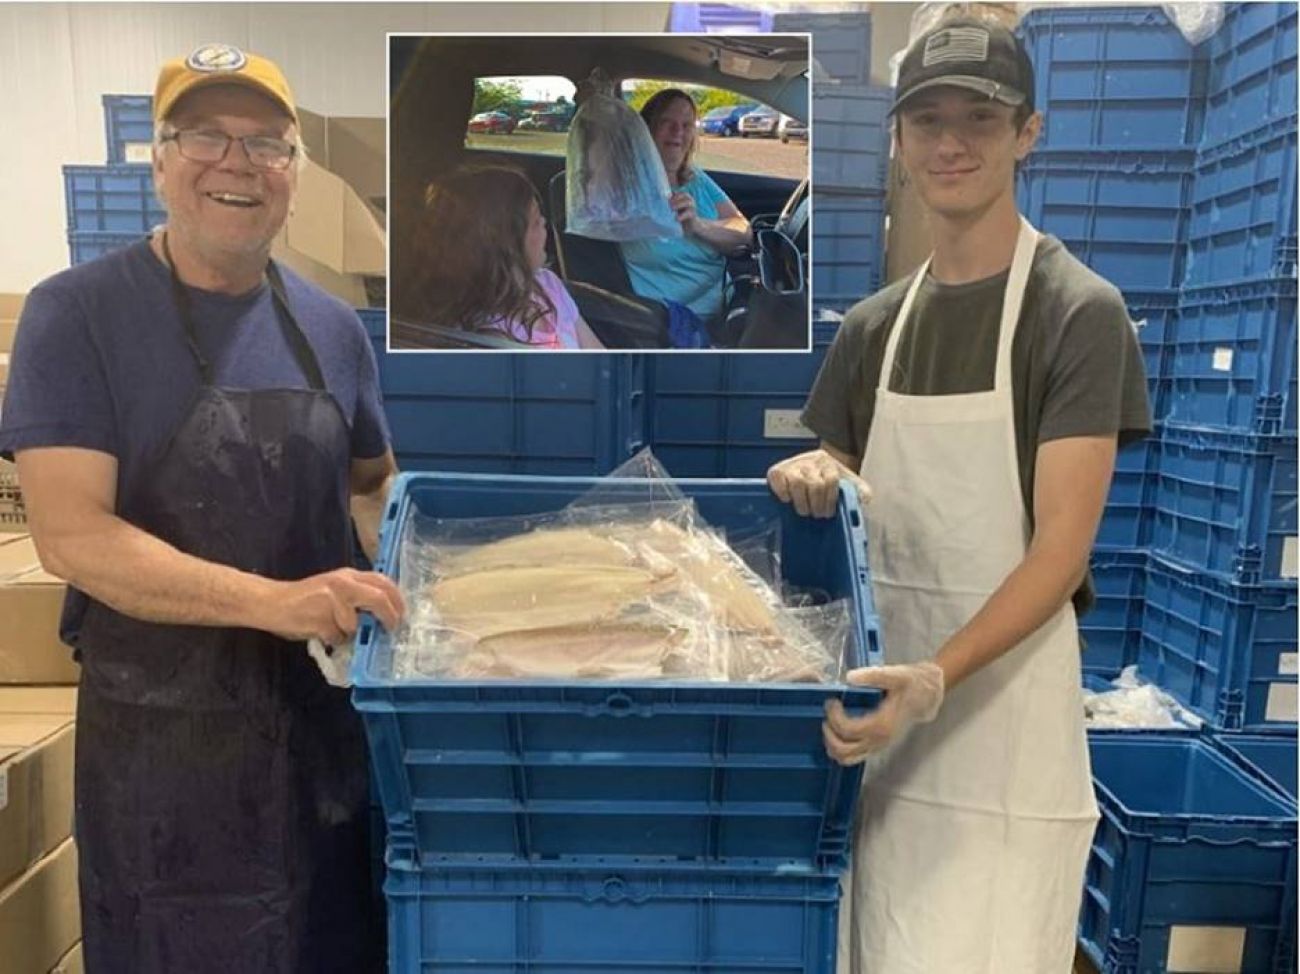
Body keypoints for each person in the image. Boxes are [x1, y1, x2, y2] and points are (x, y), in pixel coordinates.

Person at [0, 43, 404, 973]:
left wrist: (416, 589)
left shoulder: (333, 328)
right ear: (159, 157)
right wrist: (280, 603)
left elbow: (373, 483)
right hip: (164, 760)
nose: (237, 163)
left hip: (318, 744)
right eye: (207, 136)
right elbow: (72, 536)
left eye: (267, 144)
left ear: (296, 174)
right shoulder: (78, 316)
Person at [766, 16, 1151, 973]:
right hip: (881, 732)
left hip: (999, 728)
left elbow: (1060, 554)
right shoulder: (872, 329)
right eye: (927, 118)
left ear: (1028, 131)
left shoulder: (1077, 313)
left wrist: (939, 677)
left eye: (980, 117)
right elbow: (846, 505)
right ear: (897, 142)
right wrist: (817, 478)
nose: (952, 142)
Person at [395, 165, 605, 349]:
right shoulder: (483, 335)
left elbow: (597, 352)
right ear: (504, 245)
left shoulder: (549, 285)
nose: (544, 223)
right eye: (534, 221)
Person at [621, 88, 752, 323]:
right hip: (678, 323)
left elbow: (743, 230)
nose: (677, 132)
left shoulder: (695, 178)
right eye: (666, 122)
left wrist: (699, 226)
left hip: (729, 301)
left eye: (687, 125)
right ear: (646, 130)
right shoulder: (628, 189)